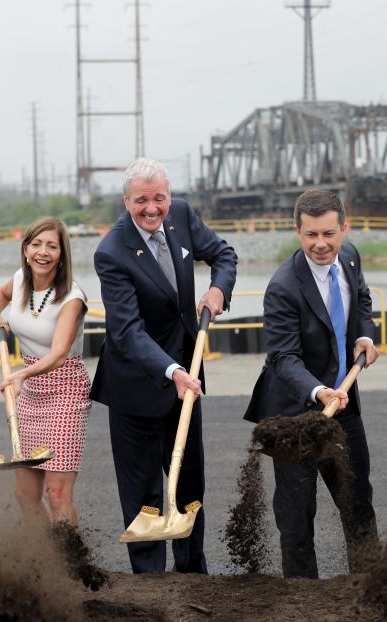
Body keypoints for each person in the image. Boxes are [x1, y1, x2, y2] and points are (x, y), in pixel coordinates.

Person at [91, 157, 237, 574]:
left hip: (186, 378)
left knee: (190, 482)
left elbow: (224, 255)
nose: (152, 208)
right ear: (126, 201)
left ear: (169, 197)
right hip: (136, 385)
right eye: (141, 200)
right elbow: (128, 332)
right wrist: (170, 370)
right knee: (144, 493)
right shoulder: (112, 253)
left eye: (159, 198)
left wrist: (216, 289)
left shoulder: (184, 216)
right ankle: (150, 584)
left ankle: (193, 572)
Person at [244, 188, 380, 579]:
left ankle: (370, 585)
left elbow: (363, 299)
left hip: (344, 403)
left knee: (357, 500)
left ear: (343, 229)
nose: (321, 244)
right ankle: (302, 599)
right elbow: (283, 359)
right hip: (294, 412)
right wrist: (319, 391)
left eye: (328, 234)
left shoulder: (350, 258)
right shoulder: (283, 287)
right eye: (311, 235)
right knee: (297, 511)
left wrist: (365, 336)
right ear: (297, 231)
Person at [0, 217, 91, 527]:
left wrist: (20, 375)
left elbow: (59, 354)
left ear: (62, 254)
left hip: (66, 390)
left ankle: (74, 564)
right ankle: (47, 560)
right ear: (25, 248)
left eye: (52, 246)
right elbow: (0, 295)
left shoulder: (72, 297)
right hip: (30, 391)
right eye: (36, 244)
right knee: (26, 495)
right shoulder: (20, 279)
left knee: (57, 494)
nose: (42, 252)